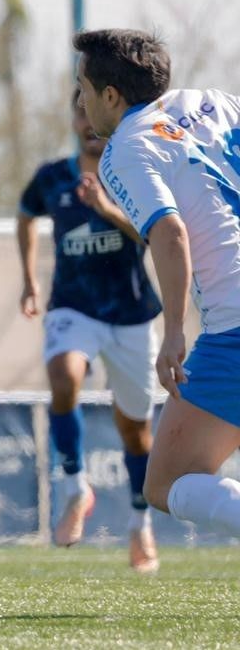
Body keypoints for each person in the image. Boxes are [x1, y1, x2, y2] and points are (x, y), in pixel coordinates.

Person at [76, 28, 240, 547]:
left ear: (110, 95)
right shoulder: (214, 103)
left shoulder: (125, 148)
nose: (79, 101)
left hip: (234, 324)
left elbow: (169, 232)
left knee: (166, 482)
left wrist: (172, 331)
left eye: (83, 87)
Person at [17, 98, 161, 571]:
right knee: (63, 377)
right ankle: (76, 485)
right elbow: (25, 215)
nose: (87, 123)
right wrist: (30, 280)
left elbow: (156, 234)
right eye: (78, 113)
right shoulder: (52, 177)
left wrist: (105, 207)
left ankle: (140, 524)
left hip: (131, 314)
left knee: (135, 431)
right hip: (73, 307)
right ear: (75, 121)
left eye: (93, 113)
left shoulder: (135, 174)